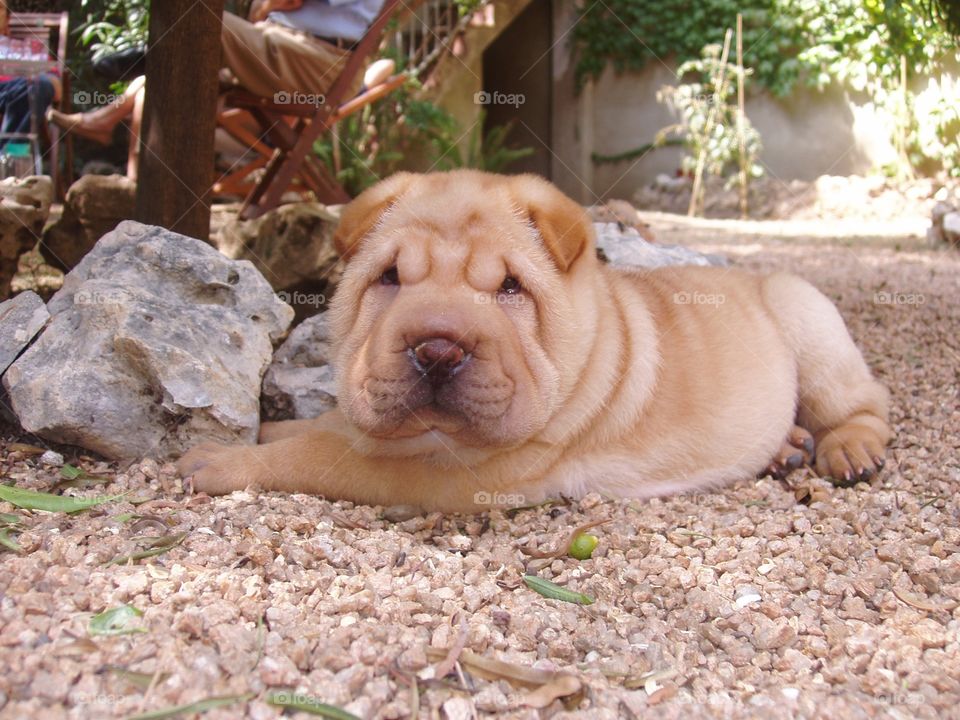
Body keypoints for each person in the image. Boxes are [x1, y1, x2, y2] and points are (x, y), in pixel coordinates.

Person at [46, 0, 386, 165]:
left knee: (205, 21)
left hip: (319, 61)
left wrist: (265, 7)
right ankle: (108, 120)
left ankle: (151, 55)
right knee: (167, 75)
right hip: (293, 47)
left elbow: (283, 2)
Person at [0, 2, 61, 148]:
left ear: (7, 18)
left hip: (18, 91)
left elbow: (56, 89)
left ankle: (11, 157)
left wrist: (30, 75)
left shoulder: (30, 48)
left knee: (39, 86)